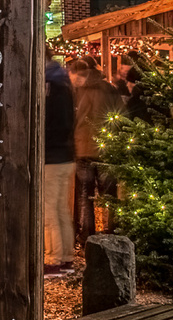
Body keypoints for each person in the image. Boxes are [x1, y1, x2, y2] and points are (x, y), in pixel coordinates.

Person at [69, 57, 121, 244]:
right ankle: (113, 233)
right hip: (107, 147)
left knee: (86, 196)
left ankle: (87, 237)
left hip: (83, 147)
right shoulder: (109, 89)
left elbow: (72, 118)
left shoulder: (77, 91)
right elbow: (120, 116)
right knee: (110, 195)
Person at [43, 59, 77, 278]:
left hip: (52, 158)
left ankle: (52, 260)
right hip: (67, 156)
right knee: (62, 210)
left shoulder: (51, 90)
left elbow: (50, 126)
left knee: (49, 211)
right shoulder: (66, 87)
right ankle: (67, 257)